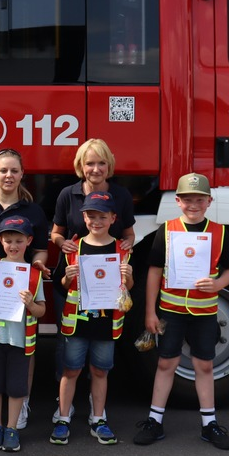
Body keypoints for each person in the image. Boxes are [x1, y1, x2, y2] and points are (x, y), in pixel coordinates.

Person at [134, 173, 229, 450]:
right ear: (178, 201)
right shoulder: (166, 230)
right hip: (171, 309)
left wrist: (218, 283)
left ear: (209, 201)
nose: (194, 204)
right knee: (167, 363)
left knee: (204, 365)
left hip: (205, 311)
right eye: (188, 199)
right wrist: (150, 313)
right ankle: (155, 420)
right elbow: (154, 271)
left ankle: (209, 423)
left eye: (199, 199)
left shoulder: (220, 231)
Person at [48, 138, 136, 425]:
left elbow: (129, 234)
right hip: (72, 279)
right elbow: (56, 232)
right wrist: (63, 245)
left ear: (109, 165)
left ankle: (96, 409)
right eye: (89, 163)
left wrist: (124, 255)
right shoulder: (67, 194)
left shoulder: (120, 195)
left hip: (107, 283)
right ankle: (64, 407)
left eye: (101, 163)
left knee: (100, 360)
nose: (95, 169)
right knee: (68, 352)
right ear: (80, 166)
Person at [0, 148, 48, 430]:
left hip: (21, 289)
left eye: (14, 170)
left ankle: (21, 400)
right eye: (3, 170)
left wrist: (36, 268)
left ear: (22, 174)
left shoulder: (33, 210)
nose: (9, 176)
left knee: (23, 344)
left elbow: (40, 250)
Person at [53, 192, 132, 446]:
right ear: (83, 217)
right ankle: (63, 419)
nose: (96, 221)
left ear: (113, 218)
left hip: (107, 324)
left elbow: (128, 287)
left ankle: (98, 418)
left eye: (102, 216)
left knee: (100, 371)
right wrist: (67, 276)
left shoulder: (122, 249)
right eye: (91, 216)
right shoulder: (73, 247)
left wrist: (128, 275)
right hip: (77, 322)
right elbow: (62, 286)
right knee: (71, 370)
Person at [0, 215, 46, 452]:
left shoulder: (34, 275)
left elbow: (41, 310)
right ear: (1, 241)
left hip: (19, 342)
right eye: (9, 240)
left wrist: (30, 304)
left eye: (18, 240)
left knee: (17, 388)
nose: (13, 245)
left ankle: (12, 428)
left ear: (29, 241)